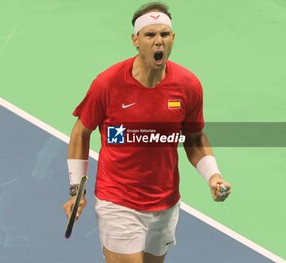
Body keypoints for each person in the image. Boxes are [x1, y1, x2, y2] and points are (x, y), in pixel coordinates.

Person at [63, 2, 231, 263]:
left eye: (164, 34)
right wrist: (76, 190)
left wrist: (213, 176)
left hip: (164, 203)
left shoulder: (188, 86)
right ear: (135, 40)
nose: (158, 42)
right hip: (118, 201)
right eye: (150, 35)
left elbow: (194, 137)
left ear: (173, 38)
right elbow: (80, 133)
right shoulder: (108, 84)